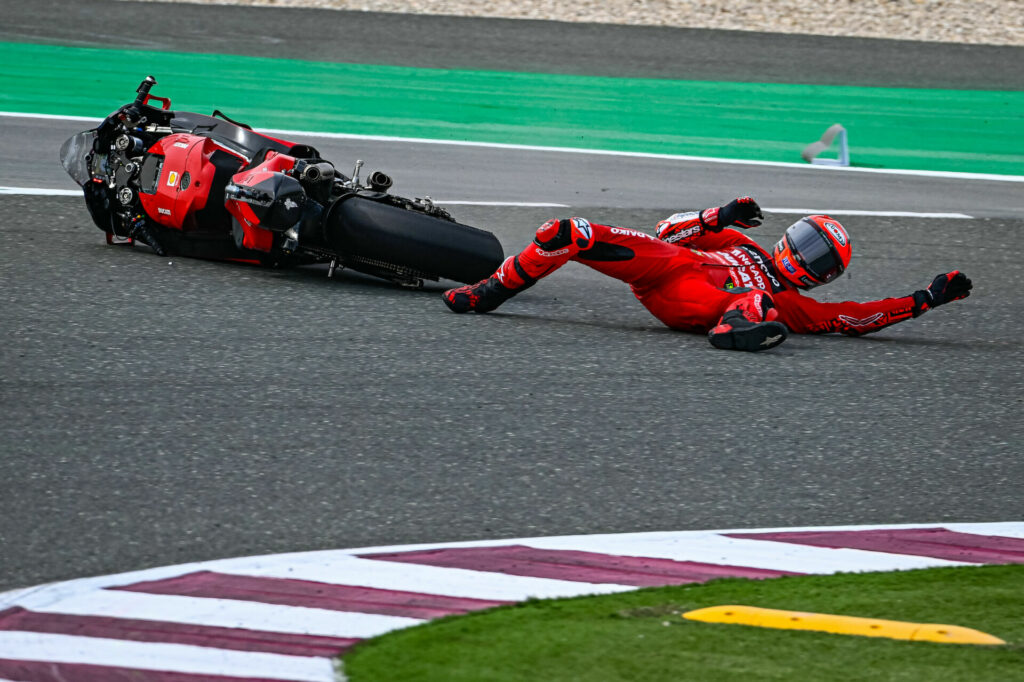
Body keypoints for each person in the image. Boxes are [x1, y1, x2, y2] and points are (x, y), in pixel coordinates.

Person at [441, 197, 972, 351]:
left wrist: (924, 298)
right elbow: (669, 233)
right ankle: (492, 291)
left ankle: (736, 330)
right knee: (567, 231)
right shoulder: (742, 241)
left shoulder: (796, 301)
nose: (807, 258)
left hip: (704, 303)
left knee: (763, 306)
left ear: (824, 276)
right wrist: (715, 217)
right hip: (671, 267)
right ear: (790, 236)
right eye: (809, 244)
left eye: (820, 260)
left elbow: (853, 318)